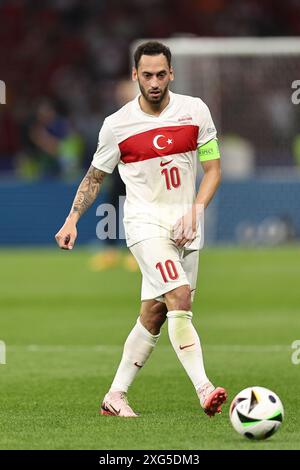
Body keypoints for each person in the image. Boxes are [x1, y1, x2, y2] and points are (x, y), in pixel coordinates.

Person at [55, 41, 227, 418]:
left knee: (155, 314)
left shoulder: (195, 111)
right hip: (144, 225)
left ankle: (115, 397)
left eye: (160, 74)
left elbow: (213, 169)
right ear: (134, 75)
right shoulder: (117, 125)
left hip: (187, 227)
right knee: (179, 297)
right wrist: (72, 220)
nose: (153, 82)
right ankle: (204, 388)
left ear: (172, 74)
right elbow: (94, 177)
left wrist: (196, 212)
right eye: (146, 75)